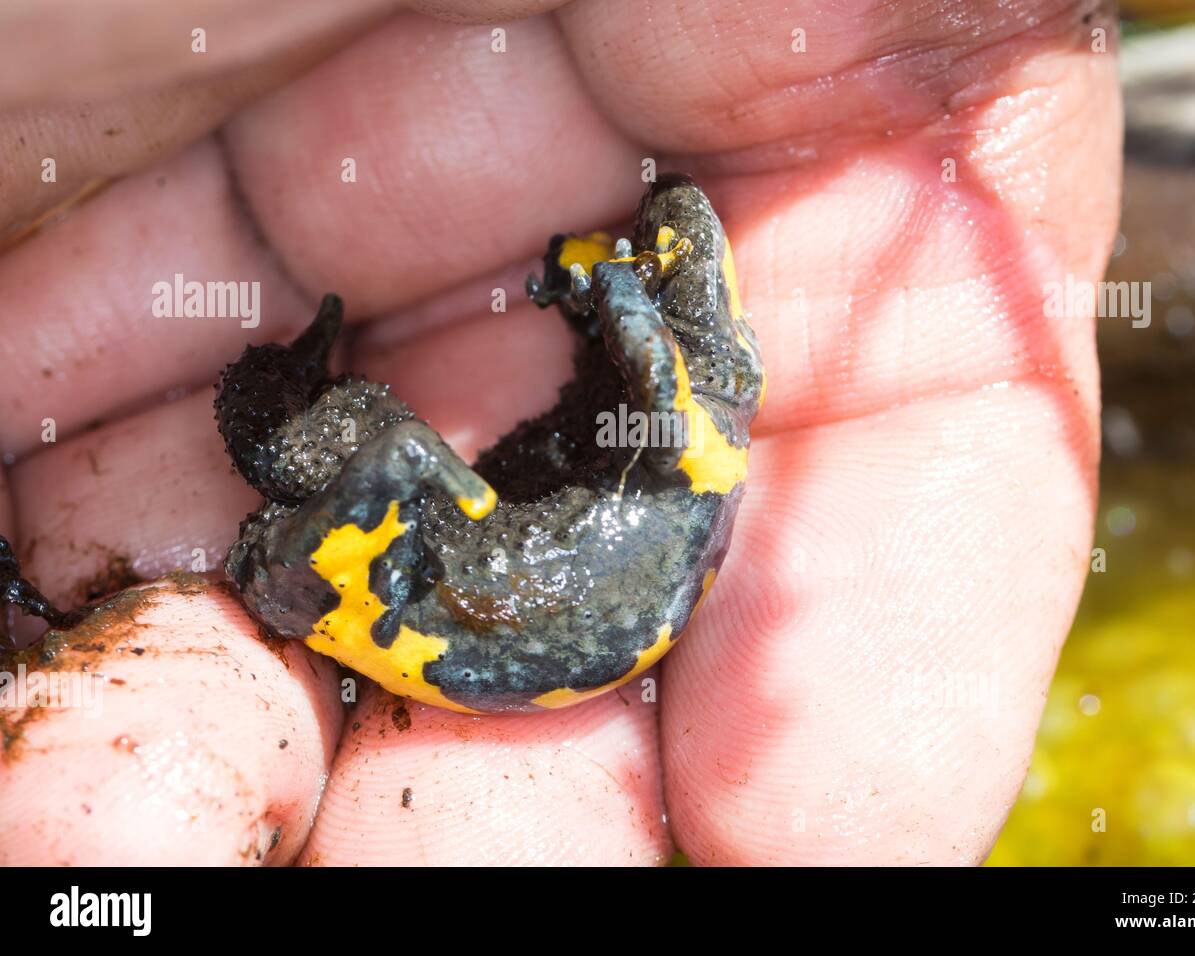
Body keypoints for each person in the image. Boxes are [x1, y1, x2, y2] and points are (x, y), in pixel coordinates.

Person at [0, 0, 1120, 865]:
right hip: (490, 601)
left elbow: (478, 428)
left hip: (464, 605)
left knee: (384, 452)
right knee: (405, 455)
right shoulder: (689, 437)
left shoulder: (682, 426)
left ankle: (304, 526)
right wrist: (604, 281)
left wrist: (609, 283)